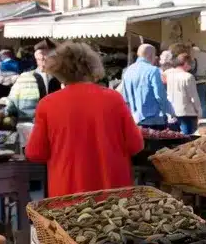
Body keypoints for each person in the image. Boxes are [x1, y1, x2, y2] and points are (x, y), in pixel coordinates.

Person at [25, 42, 143, 197]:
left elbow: (35, 153)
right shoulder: (114, 99)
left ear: (58, 69)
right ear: (92, 66)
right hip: (113, 193)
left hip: (68, 193)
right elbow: (136, 145)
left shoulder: (47, 104)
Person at [120, 43, 173, 129]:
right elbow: (160, 96)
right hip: (154, 120)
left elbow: (125, 97)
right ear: (151, 55)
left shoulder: (128, 71)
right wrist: (169, 112)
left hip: (135, 120)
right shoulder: (153, 70)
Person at [6, 40, 61, 121]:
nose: (43, 62)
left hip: (50, 126)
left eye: (45, 59)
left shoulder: (61, 79)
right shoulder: (24, 78)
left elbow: (11, 106)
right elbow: (11, 105)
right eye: (40, 59)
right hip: (30, 126)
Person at [164, 53, 200, 135]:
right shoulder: (188, 76)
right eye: (191, 63)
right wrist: (199, 112)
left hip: (172, 112)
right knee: (188, 140)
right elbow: (194, 97)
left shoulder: (169, 74)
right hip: (187, 113)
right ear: (186, 63)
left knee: (175, 140)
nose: (191, 66)